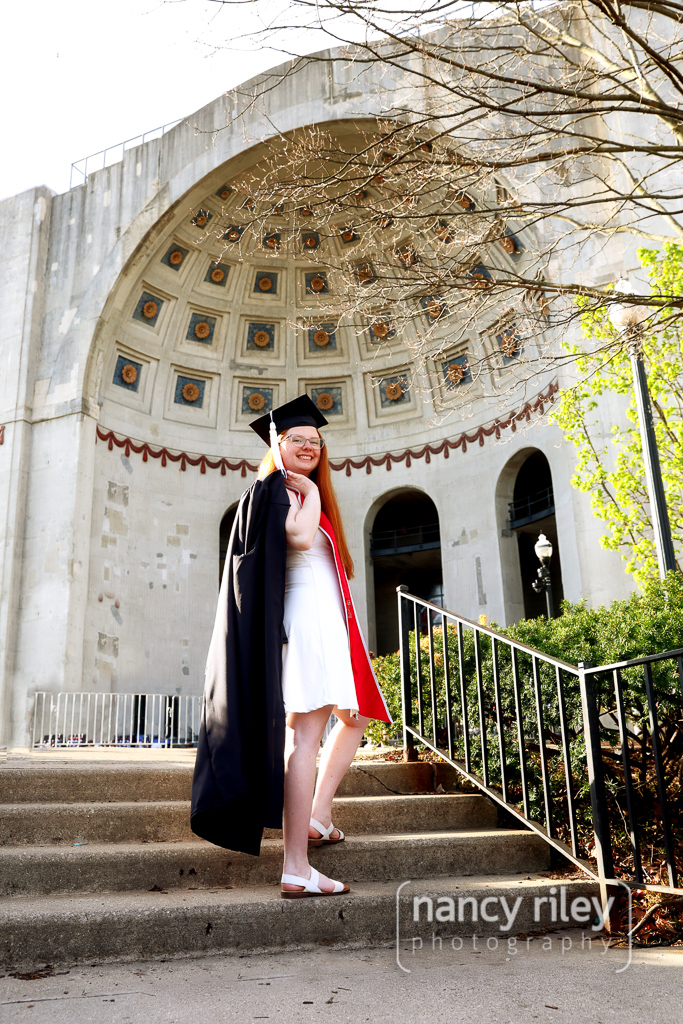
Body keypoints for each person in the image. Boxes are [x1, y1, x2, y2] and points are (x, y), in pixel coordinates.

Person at [190, 396, 391, 899]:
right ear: (278, 445)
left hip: (322, 623)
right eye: (298, 440)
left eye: (316, 442)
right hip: (308, 626)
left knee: (348, 718)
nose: (308, 447)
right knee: (305, 737)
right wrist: (315, 497)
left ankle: (317, 818)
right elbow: (300, 540)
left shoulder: (290, 489)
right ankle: (297, 864)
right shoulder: (281, 490)